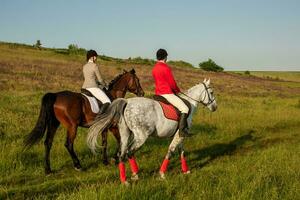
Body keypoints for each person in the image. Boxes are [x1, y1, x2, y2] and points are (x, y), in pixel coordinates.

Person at [152, 49, 189, 137]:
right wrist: (177, 90)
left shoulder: (154, 68)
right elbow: (171, 83)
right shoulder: (165, 68)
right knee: (185, 109)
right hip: (167, 93)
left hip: (158, 94)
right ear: (165, 57)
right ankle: (182, 131)